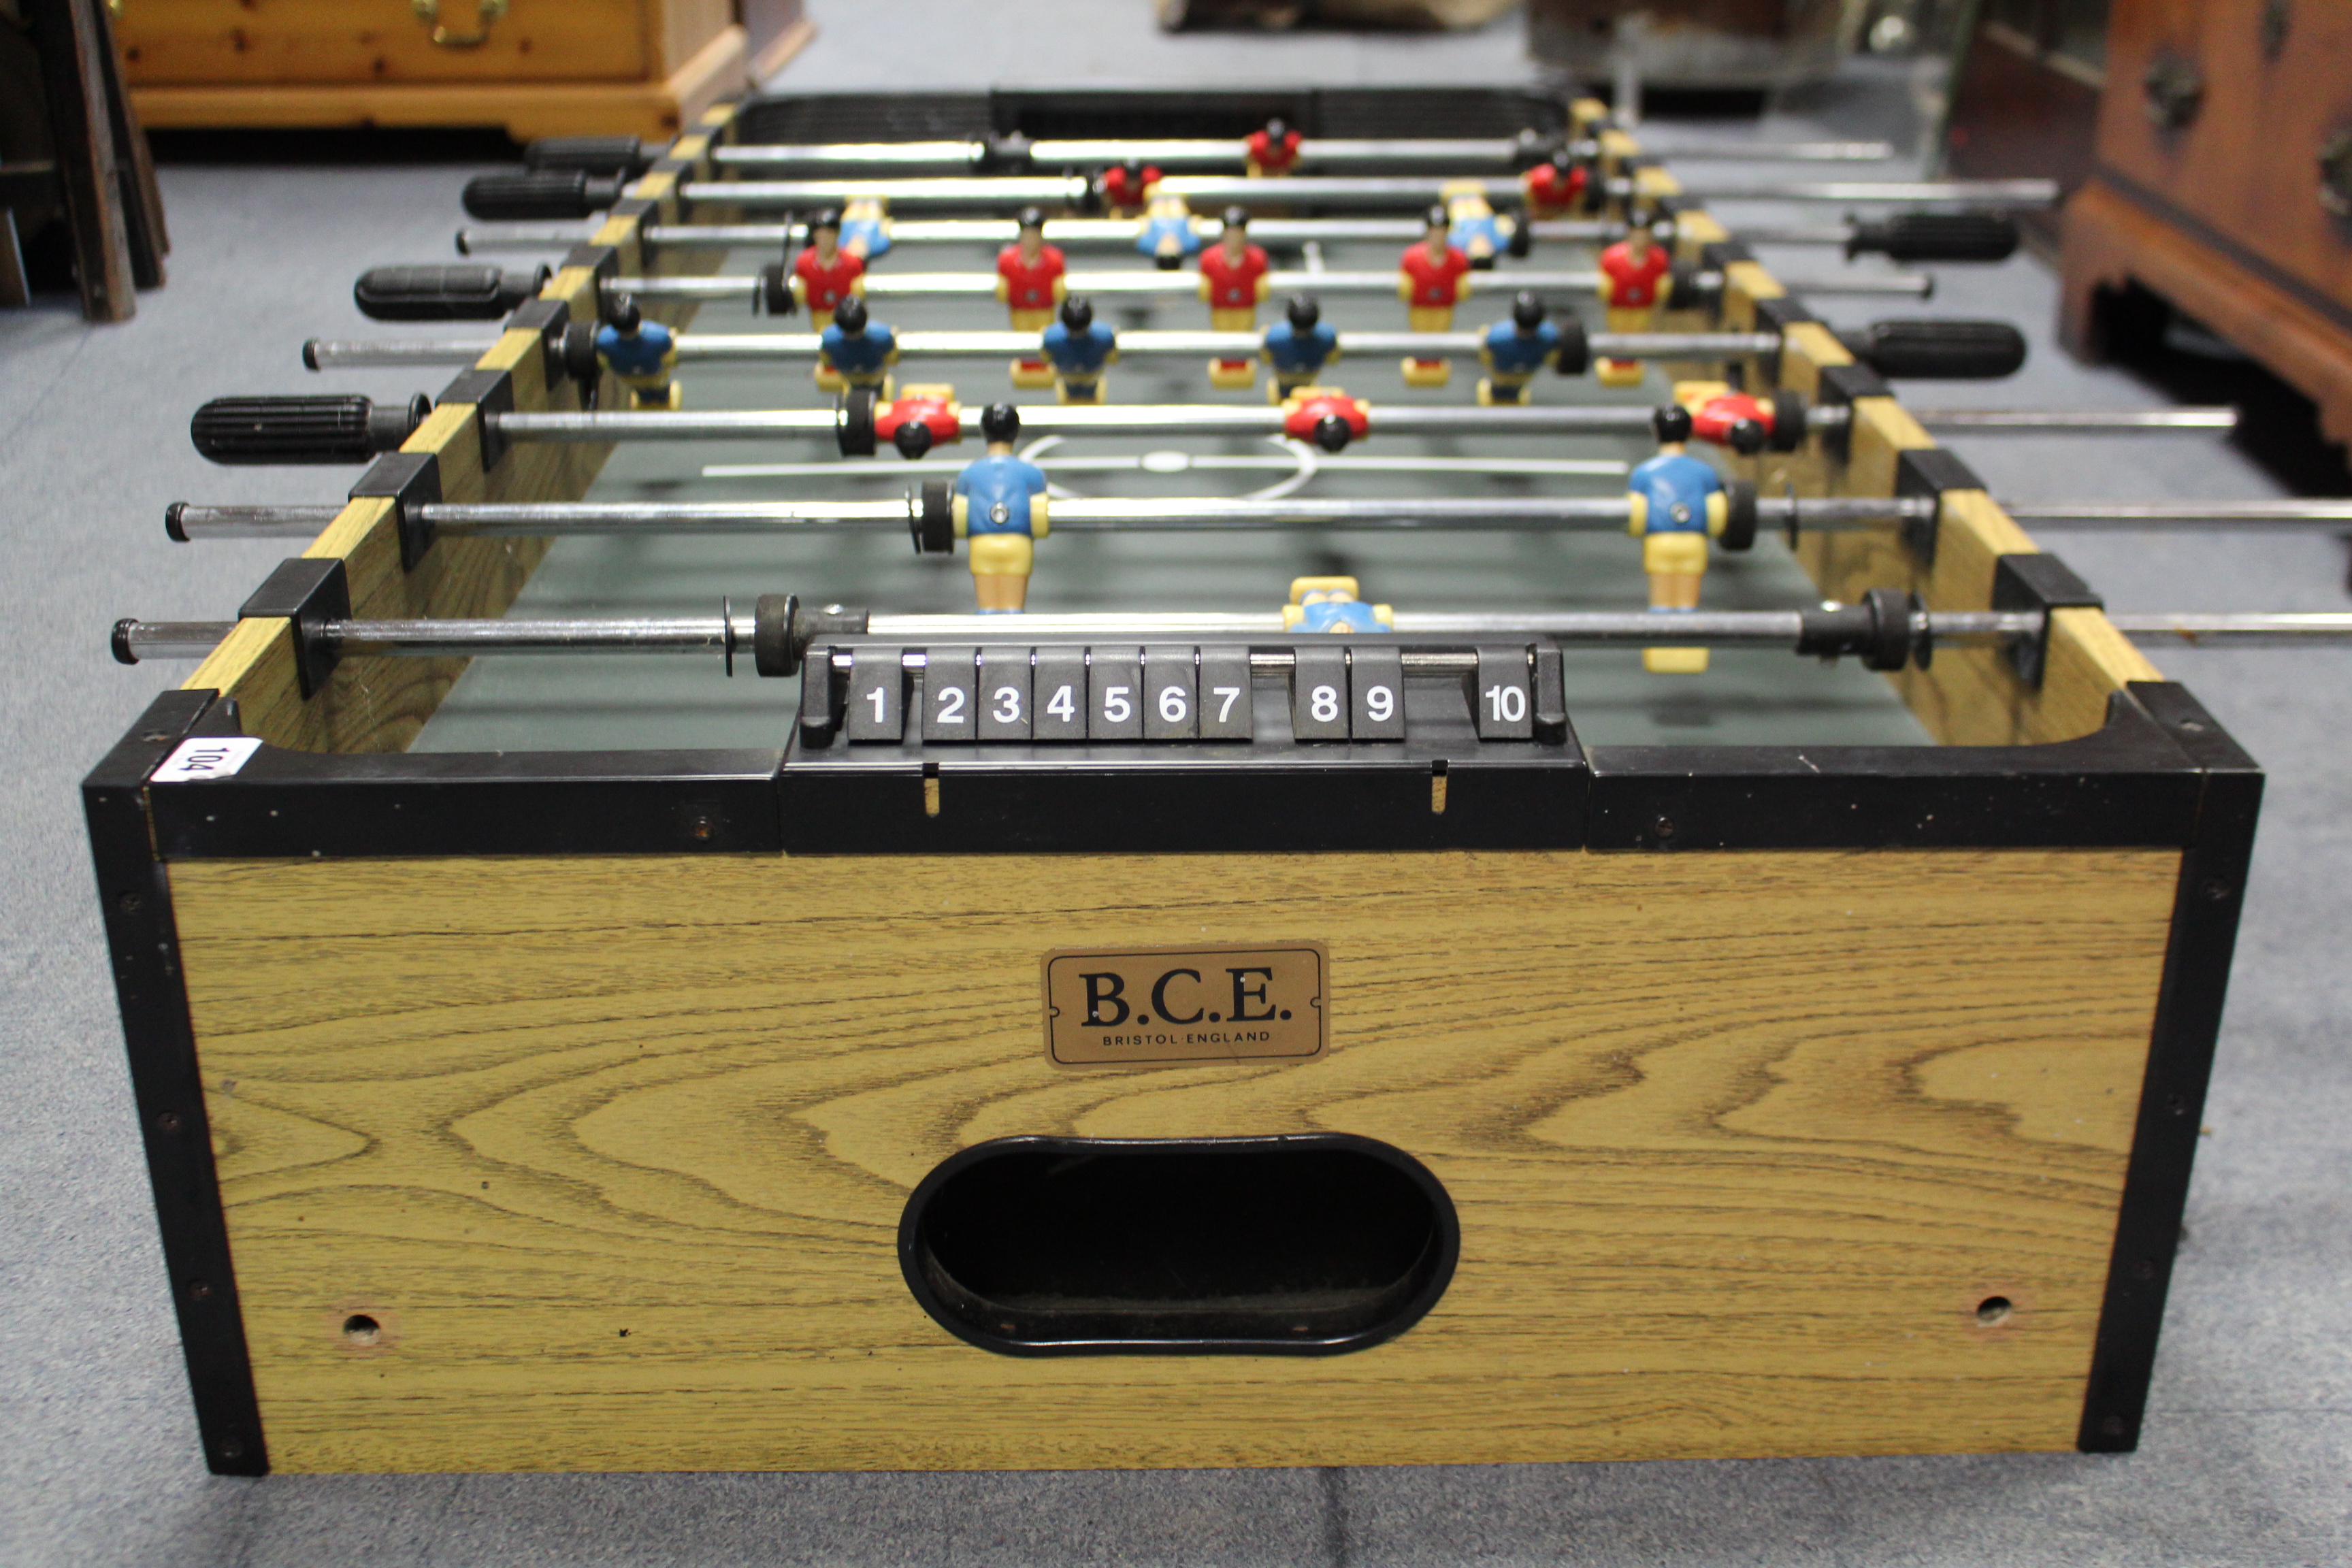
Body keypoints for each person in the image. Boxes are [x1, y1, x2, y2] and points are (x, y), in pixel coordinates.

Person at [1624, 402, 1728, 674]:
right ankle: (1687, 653)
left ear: (1656, 431)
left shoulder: (1644, 472)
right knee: (1687, 605)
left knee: (1660, 604)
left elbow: (1636, 516)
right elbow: (1717, 514)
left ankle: (1661, 651)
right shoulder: (1704, 472)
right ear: (1689, 432)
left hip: (1660, 542)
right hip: (1693, 542)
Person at [951, 404, 1051, 612]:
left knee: (986, 609)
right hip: (1017, 543)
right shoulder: (1032, 473)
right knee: (1014, 610)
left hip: (982, 544)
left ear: (983, 432)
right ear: (1016, 432)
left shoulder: (969, 474)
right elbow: (1040, 507)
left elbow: (959, 511)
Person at [1396, 204, 1472, 387]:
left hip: (1444, 307)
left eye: (1442, 231)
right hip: (1420, 307)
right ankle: (1420, 364)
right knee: (1421, 336)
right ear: (1428, 232)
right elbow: (1404, 286)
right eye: (1434, 231)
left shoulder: (1458, 259)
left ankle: (1437, 363)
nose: (1438, 236)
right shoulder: (1412, 257)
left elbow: (1463, 287)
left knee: (1440, 336)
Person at [1196, 207, 1271, 389]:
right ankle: (1223, 367)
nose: (1234, 239)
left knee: (1243, 339)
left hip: (1245, 308)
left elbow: (1262, 288)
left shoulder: (1258, 259)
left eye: (1238, 234)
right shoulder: (1209, 259)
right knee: (1223, 340)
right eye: (1230, 234)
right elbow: (1204, 289)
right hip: (1221, 309)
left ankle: (1243, 368)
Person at [995, 206, 1068, 389]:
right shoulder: (1007, 259)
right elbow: (1002, 289)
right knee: (1022, 339)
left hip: (1044, 309)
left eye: (1034, 235)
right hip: (1020, 309)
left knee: (1044, 339)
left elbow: (1059, 289)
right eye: (1027, 235)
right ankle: (1025, 367)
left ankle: (1045, 367)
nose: (1030, 240)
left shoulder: (1054, 259)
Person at [1595, 223, 1673, 388]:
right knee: (1618, 335)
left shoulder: (1659, 259)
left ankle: (1632, 363)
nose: (1641, 240)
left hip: (1642, 308)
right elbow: (1603, 283)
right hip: (1619, 308)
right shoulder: (1612, 257)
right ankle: (1616, 363)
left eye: (1645, 235)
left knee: (1637, 335)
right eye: (1637, 235)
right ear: (1630, 235)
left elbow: (1663, 283)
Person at [1476, 291, 1561, 407]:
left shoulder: (1496, 338)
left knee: (1500, 390)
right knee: (1513, 390)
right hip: (1527, 373)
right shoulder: (1551, 337)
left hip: (1500, 373)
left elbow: (1485, 353)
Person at [593, 295, 678, 410]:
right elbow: (669, 352)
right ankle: (663, 400)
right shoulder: (659, 337)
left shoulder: (604, 340)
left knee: (641, 390)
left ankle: (645, 400)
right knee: (661, 391)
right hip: (655, 374)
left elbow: (603, 361)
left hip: (628, 376)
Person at [791, 209, 865, 331]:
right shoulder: (804, 262)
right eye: (821, 234)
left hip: (846, 317)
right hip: (819, 314)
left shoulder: (852, 263)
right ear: (815, 235)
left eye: (830, 233)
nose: (826, 239)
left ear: (837, 235)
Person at [1260, 294, 1339, 402]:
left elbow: (1265, 359)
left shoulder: (1274, 337)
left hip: (1283, 381)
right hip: (1309, 383)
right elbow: (1332, 360)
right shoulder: (1328, 337)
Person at [1040, 296, 1117, 404]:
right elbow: (1112, 359)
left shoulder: (1051, 338)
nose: (1077, 334)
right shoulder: (1106, 336)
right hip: (1075, 376)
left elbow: (1046, 359)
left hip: (1087, 376)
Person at [815, 295, 896, 395]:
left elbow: (826, 362)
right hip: (875, 375)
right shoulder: (883, 336)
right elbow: (891, 357)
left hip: (846, 376)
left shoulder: (828, 339)